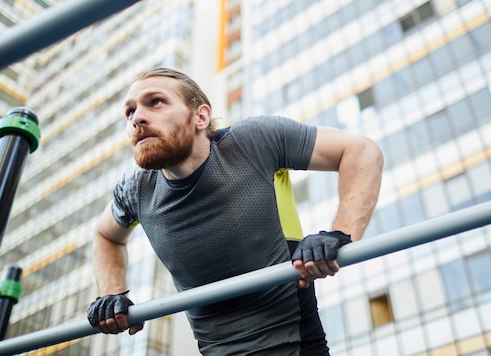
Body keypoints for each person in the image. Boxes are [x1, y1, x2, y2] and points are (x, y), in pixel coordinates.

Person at [87, 67, 383, 355]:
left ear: (200, 116)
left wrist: (340, 233)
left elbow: (361, 151)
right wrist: (112, 293)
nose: (137, 117)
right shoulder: (135, 188)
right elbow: (105, 235)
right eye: (129, 112)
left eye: (156, 102)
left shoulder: (254, 141)